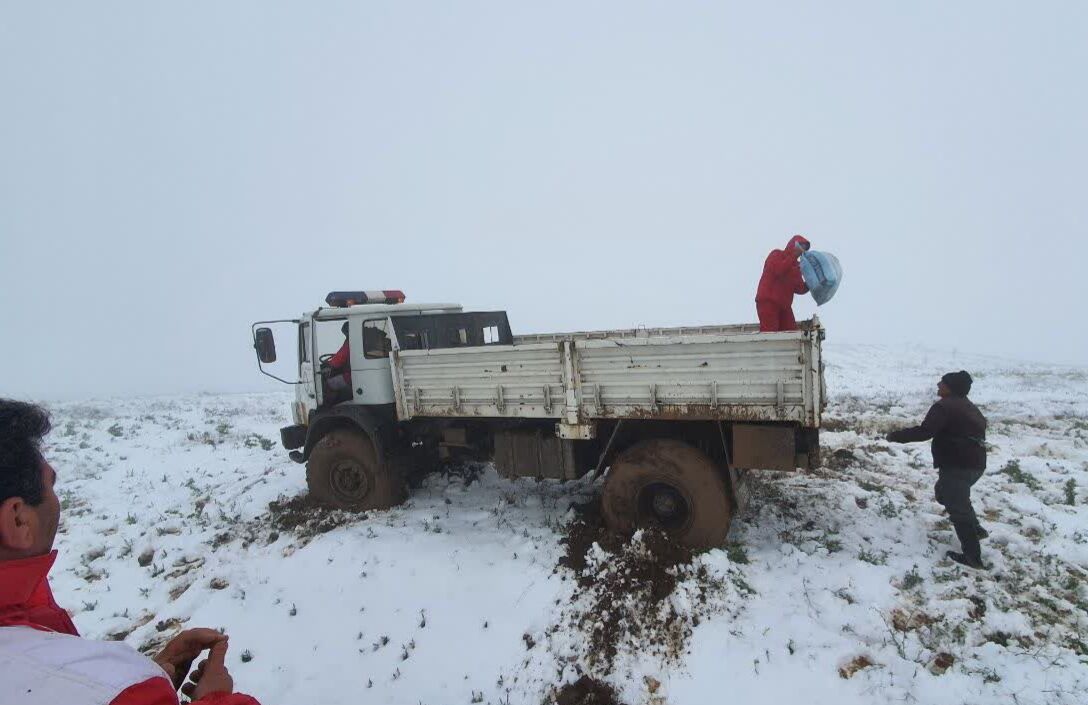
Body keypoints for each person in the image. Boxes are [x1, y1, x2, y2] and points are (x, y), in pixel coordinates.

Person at [0, 399, 262, 705]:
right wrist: (213, 698)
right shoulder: (106, 689)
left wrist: (149, 679)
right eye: (51, 485)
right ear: (18, 519)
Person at [886, 371, 989, 569]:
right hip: (975, 463)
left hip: (958, 463)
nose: (938, 384)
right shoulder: (969, 406)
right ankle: (975, 529)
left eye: (942, 382)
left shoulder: (944, 406)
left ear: (950, 387)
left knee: (957, 507)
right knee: (944, 494)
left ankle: (972, 557)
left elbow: (926, 431)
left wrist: (896, 436)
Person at [755, 235, 811, 332]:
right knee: (770, 335)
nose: (801, 250)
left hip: (784, 305)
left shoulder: (797, 266)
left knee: (792, 333)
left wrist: (812, 283)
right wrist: (793, 256)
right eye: (800, 246)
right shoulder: (776, 254)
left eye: (804, 249)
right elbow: (778, 270)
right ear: (792, 244)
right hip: (768, 302)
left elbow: (800, 288)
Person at [321, 322, 352, 404]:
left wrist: (328, 364)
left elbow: (339, 360)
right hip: (355, 374)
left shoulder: (350, 342)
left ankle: (331, 406)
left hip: (350, 376)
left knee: (327, 384)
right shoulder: (358, 340)